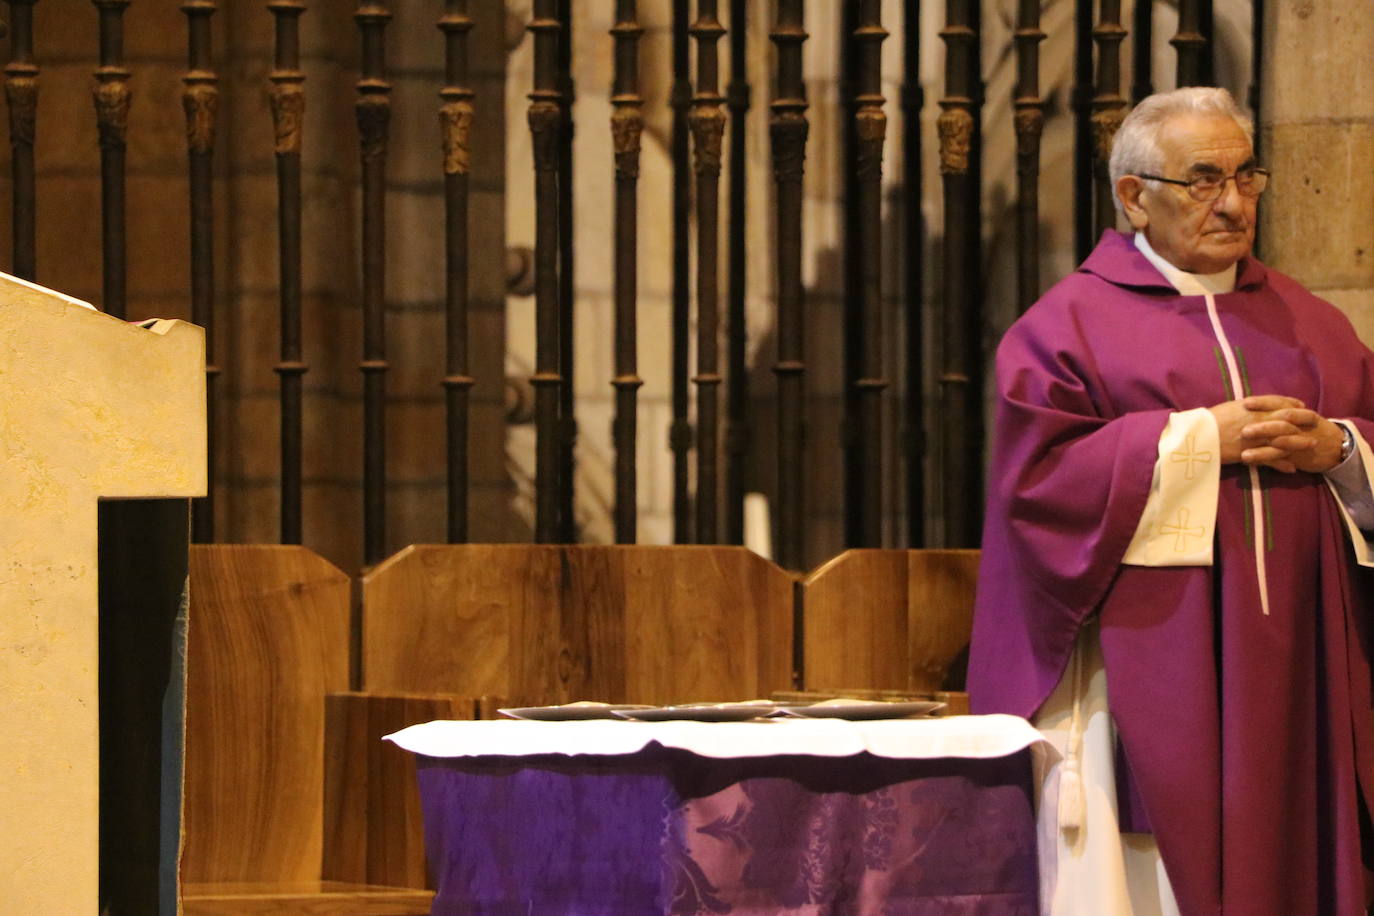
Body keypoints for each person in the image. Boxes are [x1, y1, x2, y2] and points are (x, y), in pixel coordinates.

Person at [968, 86, 1374, 915]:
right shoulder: (1064, 329)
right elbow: (1037, 489)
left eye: (1245, 176)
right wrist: (1193, 442)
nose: (1231, 203)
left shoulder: (1314, 325)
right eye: (1201, 180)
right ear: (1133, 195)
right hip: (1153, 666)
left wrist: (1336, 449)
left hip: (1305, 667)